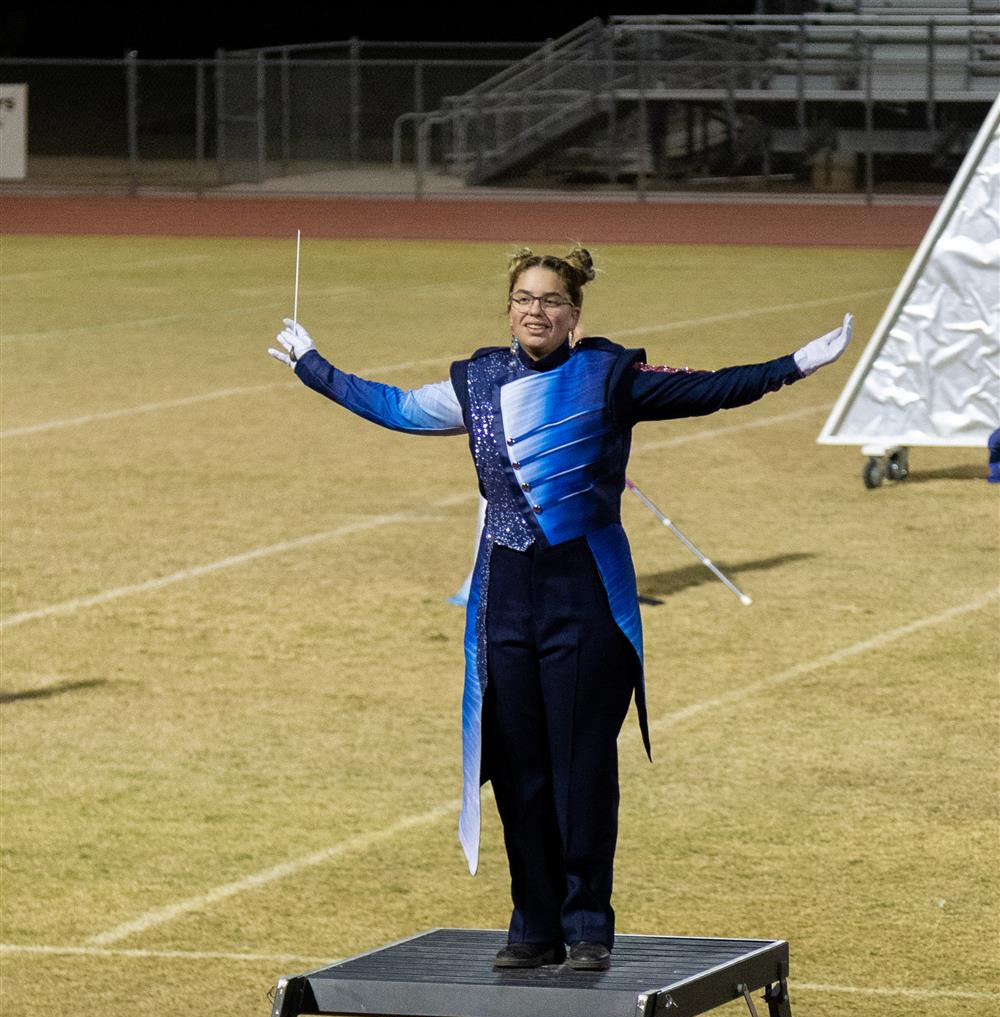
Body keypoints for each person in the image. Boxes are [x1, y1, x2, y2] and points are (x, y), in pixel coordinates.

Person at [268, 246, 852, 972]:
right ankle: (533, 923)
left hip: (586, 595)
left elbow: (709, 388)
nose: (534, 311)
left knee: (581, 767)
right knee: (516, 768)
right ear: (508, 307)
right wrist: (312, 366)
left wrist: (795, 363)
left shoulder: (609, 376)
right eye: (522, 298)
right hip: (505, 596)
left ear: (575, 314)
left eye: (549, 300)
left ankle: (587, 927)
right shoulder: (477, 380)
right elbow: (394, 407)